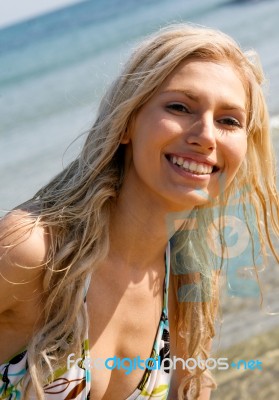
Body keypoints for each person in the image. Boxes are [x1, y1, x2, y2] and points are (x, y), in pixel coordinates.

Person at [0, 23, 278, 400]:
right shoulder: (33, 252)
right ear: (128, 121)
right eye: (180, 107)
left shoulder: (188, 277)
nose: (206, 136)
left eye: (229, 120)